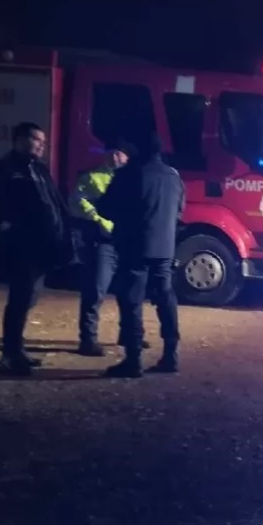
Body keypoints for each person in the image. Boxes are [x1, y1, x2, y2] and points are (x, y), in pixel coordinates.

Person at [0, 122, 74, 375]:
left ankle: (17, 349)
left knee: (29, 298)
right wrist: (10, 228)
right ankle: (11, 354)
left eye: (43, 140)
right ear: (20, 140)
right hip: (21, 246)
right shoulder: (2, 169)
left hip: (43, 247)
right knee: (20, 298)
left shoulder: (39, 169)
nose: (42, 144)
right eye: (36, 139)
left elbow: (54, 202)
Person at [97, 133, 185, 377]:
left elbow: (106, 208)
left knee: (132, 302)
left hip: (134, 247)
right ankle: (170, 354)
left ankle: (133, 359)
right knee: (166, 299)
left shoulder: (129, 174)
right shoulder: (174, 177)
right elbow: (180, 211)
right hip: (164, 249)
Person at [69, 141, 150, 356]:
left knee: (131, 293)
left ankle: (130, 335)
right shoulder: (91, 177)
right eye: (112, 153)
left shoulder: (133, 179)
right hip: (104, 242)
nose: (115, 157)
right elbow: (76, 202)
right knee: (96, 290)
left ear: (127, 158)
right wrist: (98, 219)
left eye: (119, 154)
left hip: (126, 242)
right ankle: (88, 340)